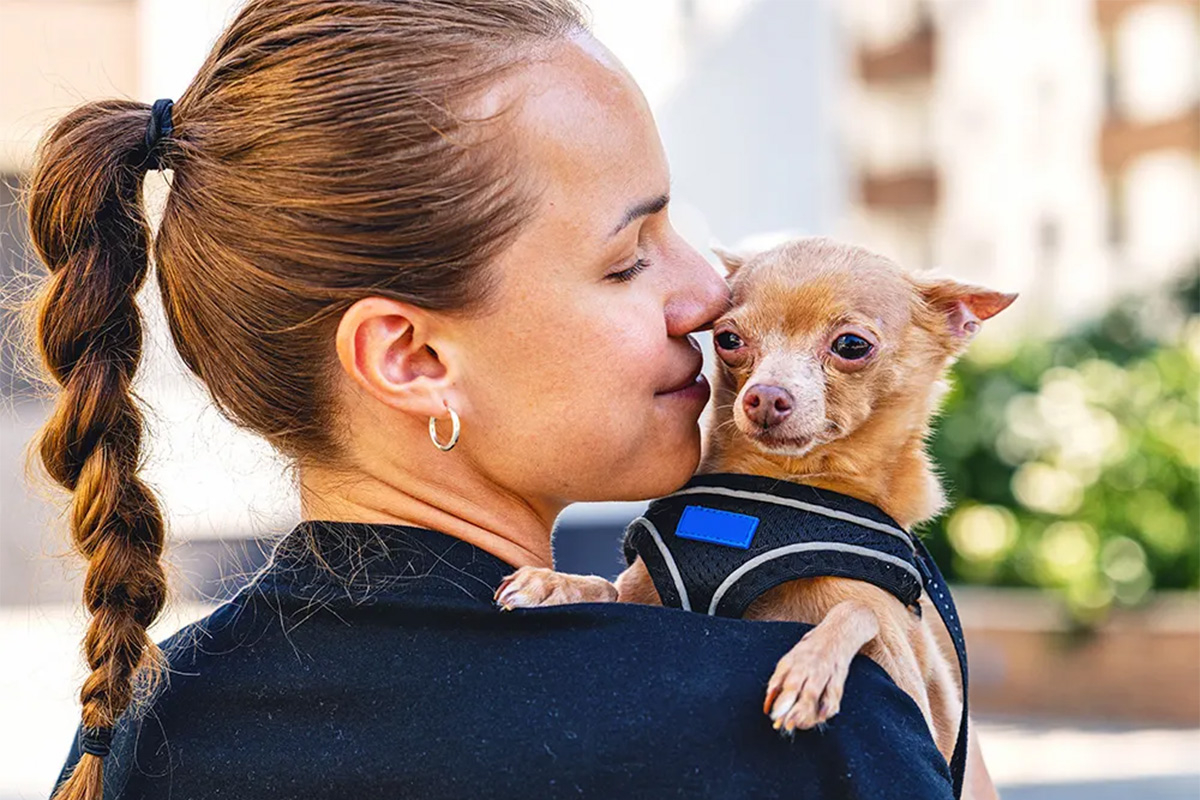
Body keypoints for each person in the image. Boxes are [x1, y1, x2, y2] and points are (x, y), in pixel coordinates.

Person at [28, 1, 981, 798]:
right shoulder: (789, 708)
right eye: (628, 257)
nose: (704, 295)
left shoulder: (139, 725)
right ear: (409, 357)